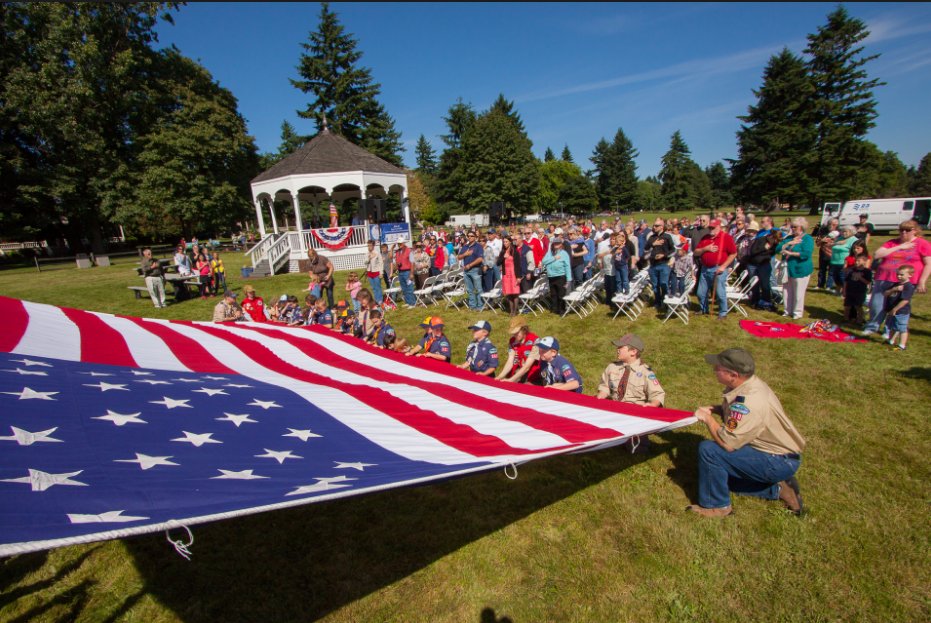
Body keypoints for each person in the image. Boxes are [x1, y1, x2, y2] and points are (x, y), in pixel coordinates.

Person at [689, 348, 806, 518]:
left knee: (709, 450)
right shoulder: (750, 385)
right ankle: (779, 489)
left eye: (718, 368)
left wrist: (708, 419)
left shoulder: (749, 401)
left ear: (733, 375)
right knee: (721, 480)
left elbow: (727, 444)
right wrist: (717, 409)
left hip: (778, 460)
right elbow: (740, 419)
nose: (714, 370)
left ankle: (718, 506)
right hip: (780, 455)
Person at [863, 220, 931, 335]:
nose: (904, 232)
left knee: (896, 305)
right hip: (884, 277)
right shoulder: (892, 243)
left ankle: (889, 330)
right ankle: (872, 326)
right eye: (901, 230)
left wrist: (922, 281)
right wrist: (901, 246)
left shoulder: (922, 244)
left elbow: (928, 264)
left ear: (914, 231)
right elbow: (877, 255)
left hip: (905, 281)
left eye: (908, 230)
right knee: (876, 303)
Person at [596, 333, 665, 406]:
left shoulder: (645, 372)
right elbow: (605, 386)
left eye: (621, 347)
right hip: (614, 408)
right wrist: (602, 394)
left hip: (634, 412)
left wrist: (653, 404)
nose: (617, 349)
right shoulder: (612, 367)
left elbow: (657, 394)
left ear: (633, 352)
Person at [694, 218, 737, 319]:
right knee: (700, 292)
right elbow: (696, 252)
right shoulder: (705, 238)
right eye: (710, 227)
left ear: (719, 227)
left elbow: (733, 253)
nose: (711, 229)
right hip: (705, 268)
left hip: (719, 268)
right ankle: (704, 309)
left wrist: (723, 266)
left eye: (713, 227)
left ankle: (723, 312)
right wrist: (705, 249)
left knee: (719, 291)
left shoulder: (726, 237)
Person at [775, 217, 815, 320]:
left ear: (801, 227)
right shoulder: (789, 238)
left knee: (798, 293)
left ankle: (797, 312)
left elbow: (806, 254)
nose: (792, 228)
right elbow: (778, 249)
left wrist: (790, 253)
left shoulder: (807, 239)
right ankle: (787, 310)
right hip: (787, 269)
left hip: (800, 269)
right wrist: (788, 243)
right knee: (786, 291)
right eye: (792, 226)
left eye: (795, 227)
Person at [496, 317, 541, 383]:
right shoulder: (512, 341)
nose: (515, 335)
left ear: (524, 329)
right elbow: (510, 361)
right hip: (517, 373)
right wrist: (499, 377)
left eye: (517, 333)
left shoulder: (535, 341)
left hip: (533, 377)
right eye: (513, 333)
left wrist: (511, 380)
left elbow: (527, 367)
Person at [881, 265, 916, 350]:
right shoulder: (896, 284)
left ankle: (902, 345)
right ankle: (890, 340)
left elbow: (905, 300)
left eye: (901, 275)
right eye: (898, 274)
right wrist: (894, 289)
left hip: (902, 311)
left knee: (902, 328)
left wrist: (895, 309)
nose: (899, 276)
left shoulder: (908, 286)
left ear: (910, 275)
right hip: (892, 310)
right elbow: (885, 293)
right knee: (893, 326)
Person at [540, 237, 572, 315]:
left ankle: (562, 310)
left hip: (561, 276)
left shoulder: (564, 253)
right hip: (551, 277)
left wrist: (569, 279)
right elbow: (544, 261)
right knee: (553, 294)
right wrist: (554, 258)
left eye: (558, 243)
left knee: (561, 294)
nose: (556, 244)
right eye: (555, 243)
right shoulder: (550, 253)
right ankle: (555, 309)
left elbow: (567, 266)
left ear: (561, 244)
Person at [458, 231, 485, 311]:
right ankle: (472, 306)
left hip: (475, 269)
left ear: (475, 237)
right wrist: (465, 255)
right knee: (470, 289)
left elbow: (480, 259)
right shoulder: (465, 246)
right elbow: (459, 257)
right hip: (466, 271)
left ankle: (480, 306)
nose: (469, 237)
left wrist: (470, 265)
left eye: (471, 236)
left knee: (478, 289)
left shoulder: (478, 246)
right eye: (468, 236)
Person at [826, 226, 858, 296]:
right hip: (834, 261)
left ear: (851, 232)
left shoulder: (854, 240)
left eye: (846, 231)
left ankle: (845, 292)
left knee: (843, 278)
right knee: (836, 277)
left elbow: (855, 252)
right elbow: (832, 246)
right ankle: (838, 291)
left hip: (844, 263)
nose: (843, 233)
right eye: (843, 231)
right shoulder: (839, 239)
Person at [842, 254, 872, 325]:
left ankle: (859, 320)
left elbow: (868, 282)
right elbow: (846, 281)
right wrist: (844, 290)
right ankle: (845, 319)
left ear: (864, 262)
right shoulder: (851, 270)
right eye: (856, 261)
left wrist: (860, 278)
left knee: (858, 307)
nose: (856, 262)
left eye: (859, 261)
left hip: (860, 292)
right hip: (850, 291)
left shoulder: (867, 271)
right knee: (847, 306)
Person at [498, 235, 522, 316]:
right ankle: (511, 311)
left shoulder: (515, 251)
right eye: (504, 242)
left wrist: (518, 277)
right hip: (506, 275)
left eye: (506, 242)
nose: (505, 243)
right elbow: (497, 263)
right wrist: (503, 258)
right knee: (509, 293)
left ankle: (515, 311)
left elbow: (518, 265)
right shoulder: (502, 252)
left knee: (515, 293)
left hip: (514, 274)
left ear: (510, 242)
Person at [393, 237, 417, 307]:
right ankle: (408, 301)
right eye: (398, 244)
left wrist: (412, 273)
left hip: (407, 271)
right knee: (404, 288)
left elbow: (412, 262)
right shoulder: (397, 252)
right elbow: (395, 260)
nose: (399, 245)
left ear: (403, 243)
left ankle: (412, 303)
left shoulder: (409, 251)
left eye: (400, 243)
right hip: (400, 272)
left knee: (409, 287)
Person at [365, 240, 384, 305]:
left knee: (378, 287)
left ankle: (380, 300)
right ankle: (376, 300)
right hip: (370, 272)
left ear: (373, 246)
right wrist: (369, 258)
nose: (369, 247)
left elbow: (381, 263)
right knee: (373, 288)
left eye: (370, 245)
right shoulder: (367, 253)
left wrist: (381, 272)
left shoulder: (377, 253)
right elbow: (365, 262)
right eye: (368, 245)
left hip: (376, 272)